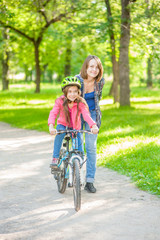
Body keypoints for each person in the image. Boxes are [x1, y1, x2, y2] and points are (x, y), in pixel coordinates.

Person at [48, 76, 99, 169]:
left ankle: (77, 168)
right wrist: (51, 127)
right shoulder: (60, 101)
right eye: (70, 92)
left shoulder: (81, 102)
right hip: (63, 125)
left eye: (75, 91)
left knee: (78, 149)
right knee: (59, 136)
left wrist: (93, 125)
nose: (72, 94)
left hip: (75, 127)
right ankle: (55, 157)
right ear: (65, 92)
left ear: (78, 92)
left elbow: (86, 115)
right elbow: (53, 113)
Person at [76, 55, 104, 193]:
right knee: (78, 145)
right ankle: (75, 176)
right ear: (86, 67)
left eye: (97, 67)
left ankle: (89, 181)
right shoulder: (76, 80)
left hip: (92, 113)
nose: (94, 70)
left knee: (91, 147)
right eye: (91, 66)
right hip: (76, 113)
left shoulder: (100, 81)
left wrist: (93, 123)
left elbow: (98, 99)